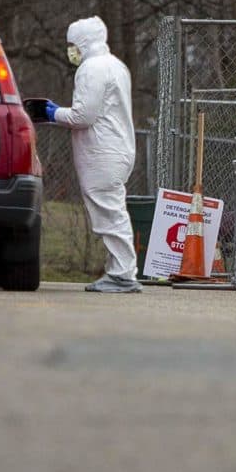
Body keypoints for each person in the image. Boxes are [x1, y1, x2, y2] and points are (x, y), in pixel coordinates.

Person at [40, 16, 139, 293]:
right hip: (116, 148)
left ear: (82, 42)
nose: (70, 50)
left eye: (72, 44)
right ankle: (120, 271)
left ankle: (122, 274)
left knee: (110, 213)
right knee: (112, 210)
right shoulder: (115, 66)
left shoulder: (91, 68)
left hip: (103, 151)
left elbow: (84, 115)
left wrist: (52, 112)